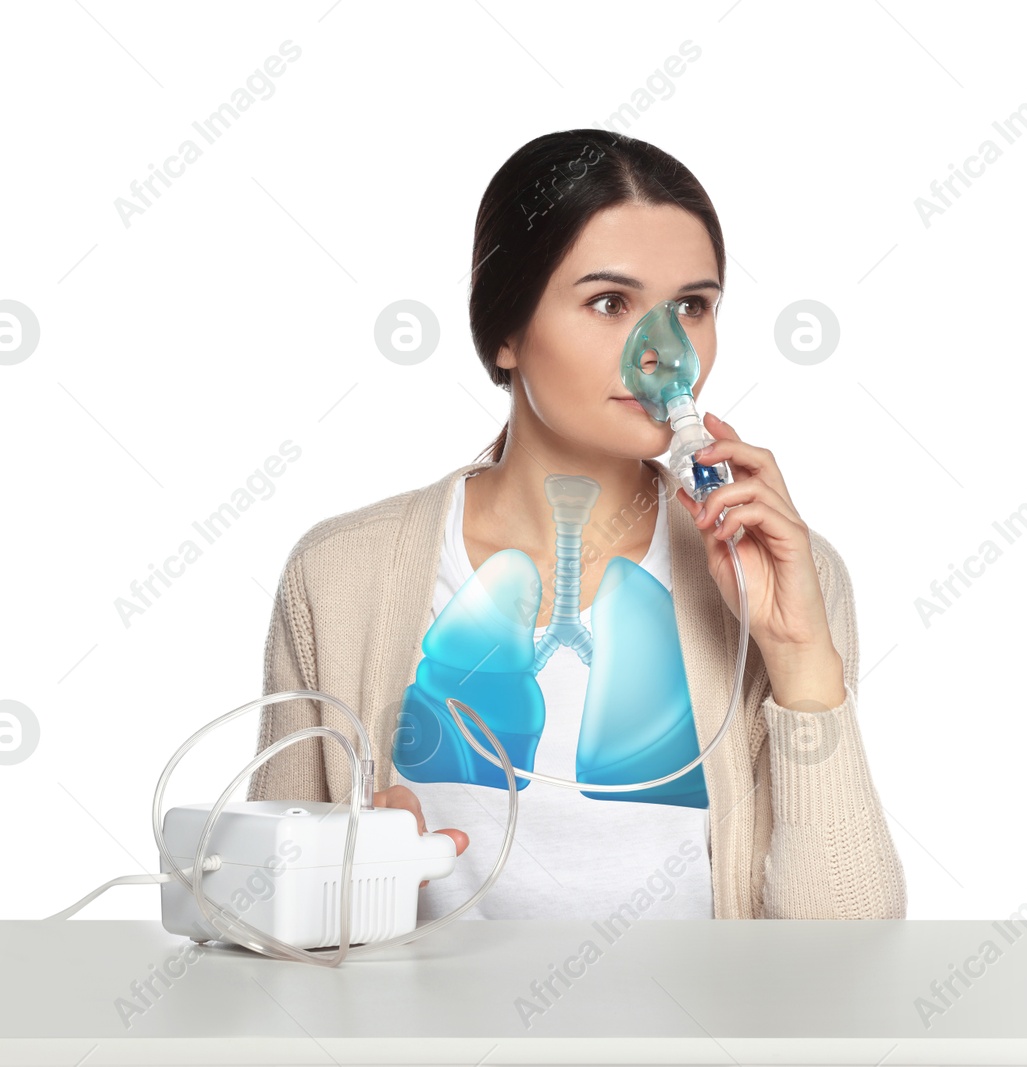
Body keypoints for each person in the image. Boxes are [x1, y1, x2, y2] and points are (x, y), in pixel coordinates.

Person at [247, 129, 906, 921]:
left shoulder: (782, 572)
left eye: (691, 307)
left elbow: (847, 964)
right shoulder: (342, 574)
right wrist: (346, 888)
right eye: (609, 303)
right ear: (506, 331)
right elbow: (259, 929)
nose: (665, 355)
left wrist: (801, 658)